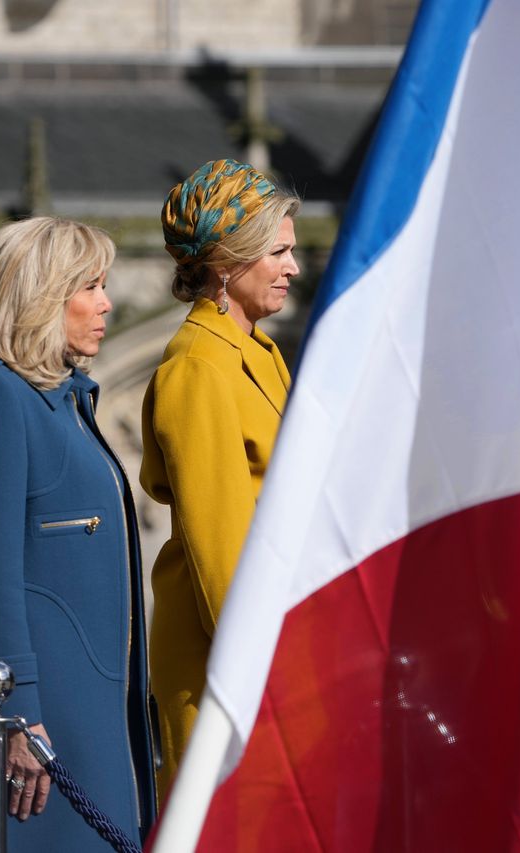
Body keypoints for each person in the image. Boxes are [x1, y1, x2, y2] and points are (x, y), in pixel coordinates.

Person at [0, 217, 156, 850]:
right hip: (40, 715)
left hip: (89, 712)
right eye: (90, 285)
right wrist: (18, 713)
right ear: (42, 296)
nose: (106, 302)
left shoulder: (68, 403)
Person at [141, 159, 301, 792]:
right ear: (228, 263)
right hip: (223, 652)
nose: (293, 267)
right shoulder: (200, 366)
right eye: (279, 252)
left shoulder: (255, 349)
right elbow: (219, 543)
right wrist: (257, 667)